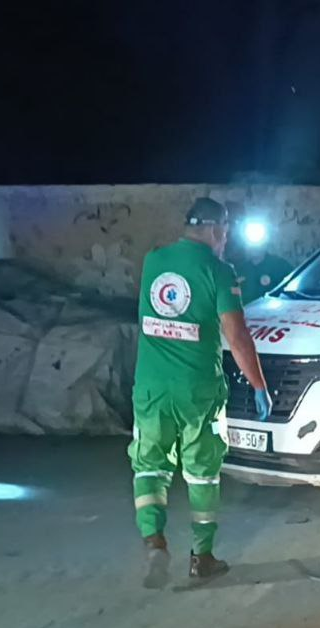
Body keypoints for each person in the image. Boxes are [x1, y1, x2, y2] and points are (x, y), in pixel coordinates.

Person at [129, 197, 273, 589]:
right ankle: (202, 557)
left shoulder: (154, 261)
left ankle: (154, 542)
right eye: (225, 232)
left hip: (151, 388)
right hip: (198, 390)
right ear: (215, 229)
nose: (225, 240)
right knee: (202, 474)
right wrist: (259, 384)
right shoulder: (219, 271)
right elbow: (237, 336)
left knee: (149, 466)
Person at [226, 202, 294, 305]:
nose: (254, 246)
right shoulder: (239, 270)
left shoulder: (279, 266)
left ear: (266, 240)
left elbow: (294, 290)